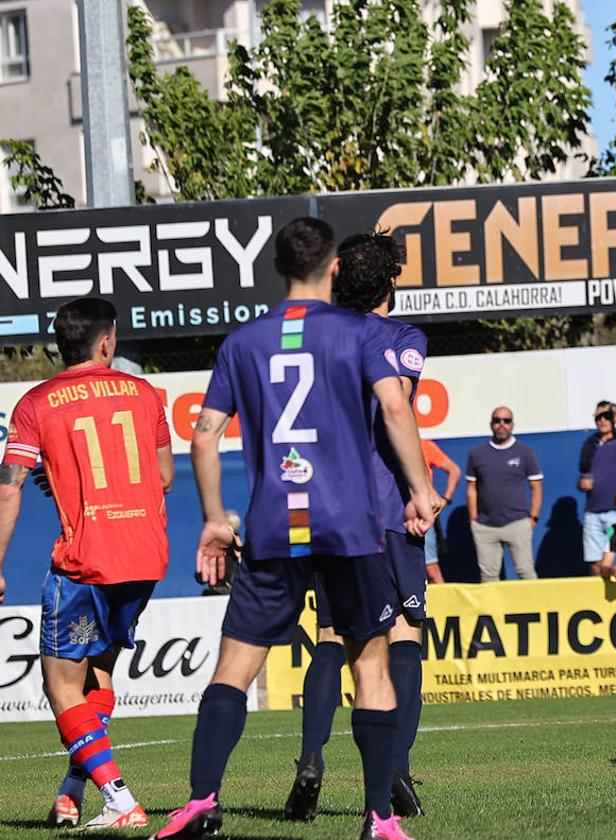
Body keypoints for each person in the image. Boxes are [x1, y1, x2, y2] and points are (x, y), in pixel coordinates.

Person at [153, 218, 434, 840]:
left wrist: (212, 521)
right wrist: (419, 491)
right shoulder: (360, 331)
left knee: (234, 668)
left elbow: (203, 435)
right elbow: (394, 408)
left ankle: (201, 802)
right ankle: (379, 818)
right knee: (371, 664)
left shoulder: (243, 342)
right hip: (351, 523)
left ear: (278, 268)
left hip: (276, 523)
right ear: (333, 267)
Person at [0, 297, 173, 830]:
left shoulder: (36, 403)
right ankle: (73, 791)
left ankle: (120, 800)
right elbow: (164, 476)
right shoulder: (143, 393)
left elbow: (10, 490)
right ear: (107, 341)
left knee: (60, 686)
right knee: (96, 675)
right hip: (144, 557)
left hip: (85, 562)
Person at [284, 232, 438, 826]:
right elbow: (394, 406)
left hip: (326, 504)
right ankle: (394, 765)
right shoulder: (400, 337)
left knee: (329, 633)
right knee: (403, 634)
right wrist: (421, 490)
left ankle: (310, 758)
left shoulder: (312, 337)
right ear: (390, 283)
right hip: (386, 502)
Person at [466, 408, 543, 581]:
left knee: (526, 572)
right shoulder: (477, 454)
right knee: (488, 577)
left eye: (506, 421)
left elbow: (536, 486)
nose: (502, 424)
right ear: (491, 424)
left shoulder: (525, 452)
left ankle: (533, 608)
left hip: (518, 523)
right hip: (485, 526)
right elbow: (472, 487)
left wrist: (533, 518)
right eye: (497, 420)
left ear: (512, 425)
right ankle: (492, 609)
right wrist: (473, 520)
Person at [578, 400, 616, 575]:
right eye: (599, 418)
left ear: (615, 419)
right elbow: (583, 477)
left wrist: (612, 409)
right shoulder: (589, 444)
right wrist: (581, 484)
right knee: (596, 565)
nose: (602, 421)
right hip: (593, 512)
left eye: (607, 417)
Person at [421, 437, 460, 584]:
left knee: (431, 569)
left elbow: (454, 470)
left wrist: (445, 499)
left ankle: (446, 607)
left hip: (422, 514)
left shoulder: (423, 445)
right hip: (394, 516)